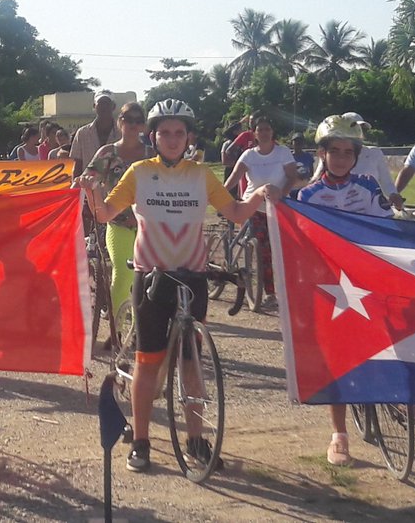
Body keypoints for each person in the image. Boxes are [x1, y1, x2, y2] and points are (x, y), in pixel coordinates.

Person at [78, 98, 278, 473]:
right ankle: (140, 442)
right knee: (148, 363)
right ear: (153, 136)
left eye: (179, 133)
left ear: (189, 137)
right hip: (152, 277)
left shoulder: (201, 174)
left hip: (192, 279)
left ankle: (196, 442)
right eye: (165, 132)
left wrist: (256, 197)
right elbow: (105, 213)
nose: (172, 139)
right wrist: (91, 192)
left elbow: (233, 212)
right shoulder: (139, 172)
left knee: (191, 366)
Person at [297, 115, 393, 466]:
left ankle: (403, 397)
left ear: (356, 155)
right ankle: (339, 434)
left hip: (367, 279)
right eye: (333, 151)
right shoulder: (307, 195)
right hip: (332, 289)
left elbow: (387, 230)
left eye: (347, 152)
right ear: (322, 154)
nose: (340, 158)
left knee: (388, 341)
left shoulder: (368, 187)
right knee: (337, 359)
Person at [83, 102, 153, 322]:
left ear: (143, 126)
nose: (133, 124)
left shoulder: (153, 154)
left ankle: (143, 327)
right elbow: (89, 179)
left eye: (138, 120)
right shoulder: (107, 153)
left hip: (150, 227)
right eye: (128, 119)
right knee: (122, 275)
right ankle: (116, 331)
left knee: (149, 280)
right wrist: (86, 187)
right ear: (119, 121)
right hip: (118, 224)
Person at [223, 116, 299, 307]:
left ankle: (290, 288)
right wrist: (221, 195)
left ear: (272, 132)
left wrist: (282, 193)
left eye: (267, 129)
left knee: (283, 250)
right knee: (263, 249)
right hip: (254, 206)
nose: (264, 132)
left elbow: (292, 177)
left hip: (278, 207)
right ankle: (270, 293)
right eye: (260, 129)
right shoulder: (249, 155)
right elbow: (234, 177)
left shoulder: (282, 153)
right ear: (254, 133)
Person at [312, 112, 404, 209]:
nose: (360, 132)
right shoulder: (331, 156)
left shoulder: (375, 153)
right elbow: (317, 177)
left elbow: (386, 181)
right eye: (357, 128)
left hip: (367, 207)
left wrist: (393, 195)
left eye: (363, 129)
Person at [71, 92, 121, 177]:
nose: (104, 107)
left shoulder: (122, 133)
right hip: (88, 185)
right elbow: (77, 165)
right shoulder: (82, 133)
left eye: (107, 103)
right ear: (94, 106)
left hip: (117, 186)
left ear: (113, 106)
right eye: (100, 103)